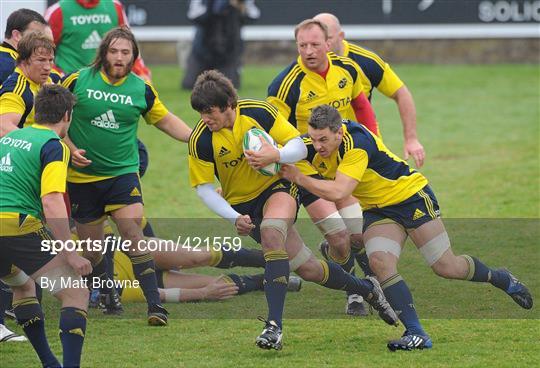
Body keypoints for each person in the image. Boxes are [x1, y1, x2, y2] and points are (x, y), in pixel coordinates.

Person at [280, 105, 534, 351]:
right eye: (314, 139)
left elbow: (340, 191)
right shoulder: (314, 144)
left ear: (339, 132)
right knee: (380, 262)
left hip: (410, 197)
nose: (318, 146)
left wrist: (299, 178)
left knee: (446, 266)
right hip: (378, 210)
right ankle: (416, 333)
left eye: (324, 139)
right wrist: (269, 155)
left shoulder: (356, 141)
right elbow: (283, 148)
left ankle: (500, 277)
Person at [188, 70, 398, 351]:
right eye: (201, 113)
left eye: (210, 112)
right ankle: (366, 289)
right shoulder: (200, 139)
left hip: (278, 187)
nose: (205, 118)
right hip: (243, 207)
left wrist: (276, 155)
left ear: (229, 105)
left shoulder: (258, 113)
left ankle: (273, 327)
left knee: (272, 232)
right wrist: (233, 216)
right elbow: (202, 188)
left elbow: (299, 144)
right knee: (309, 268)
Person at [61, 27, 192, 326]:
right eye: (114, 51)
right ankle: (103, 289)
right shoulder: (77, 80)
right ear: (104, 52)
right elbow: (52, 118)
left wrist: (197, 138)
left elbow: (166, 120)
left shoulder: (140, 89)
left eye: (126, 53)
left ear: (133, 56)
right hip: (82, 181)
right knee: (92, 253)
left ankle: (155, 307)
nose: (119, 58)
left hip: (122, 175)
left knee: (133, 233)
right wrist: (69, 148)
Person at [267, 18, 378, 316]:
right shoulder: (285, 85)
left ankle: (360, 274)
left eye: (315, 44)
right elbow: (272, 131)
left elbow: (363, 106)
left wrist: (374, 145)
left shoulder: (348, 69)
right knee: (340, 236)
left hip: (344, 165)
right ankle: (356, 291)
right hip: (307, 172)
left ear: (329, 43)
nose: (308, 51)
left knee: (358, 232)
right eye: (302, 45)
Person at [0, 84, 92, 367]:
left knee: (23, 286)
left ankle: (50, 364)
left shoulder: (7, 139)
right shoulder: (54, 145)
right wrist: (70, 252)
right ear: (67, 115)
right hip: (18, 226)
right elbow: (52, 200)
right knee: (76, 292)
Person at [313, 13, 425, 168]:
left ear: (341, 36)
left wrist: (411, 139)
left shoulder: (365, 61)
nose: (323, 45)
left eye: (328, 38)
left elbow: (401, 92)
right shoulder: (304, 68)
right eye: (318, 40)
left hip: (363, 140)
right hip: (322, 147)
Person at [45, 0, 151, 80]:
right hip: (72, 86)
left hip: (108, 85)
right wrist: (58, 76)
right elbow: (41, 51)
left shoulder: (114, 6)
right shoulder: (57, 11)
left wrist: (141, 71)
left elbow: (129, 45)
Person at [181, 0, 260, 89]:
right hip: (203, 51)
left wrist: (240, 8)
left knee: (229, 87)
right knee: (190, 85)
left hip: (229, 52)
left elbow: (253, 16)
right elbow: (194, 15)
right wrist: (214, 6)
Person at [0, 32, 56, 138]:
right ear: (23, 61)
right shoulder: (16, 90)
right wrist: (39, 144)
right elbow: (2, 127)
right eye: (41, 60)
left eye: (50, 60)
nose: (48, 67)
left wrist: (72, 149)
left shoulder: (46, 80)